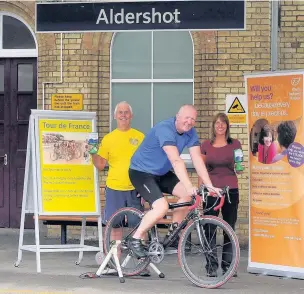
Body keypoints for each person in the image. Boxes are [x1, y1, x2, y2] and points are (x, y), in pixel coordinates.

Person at [128, 104, 222, 259]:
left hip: (161, 172)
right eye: (187, 117)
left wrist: (209, 185)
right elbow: (176, 161)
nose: (190, 122)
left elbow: (197, 159)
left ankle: (173, 234)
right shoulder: (165, 129)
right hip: (141, 172)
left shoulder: (190, 133)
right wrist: (189, 185)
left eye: (193, 119)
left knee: (188, 196)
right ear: (177, 117)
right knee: (162, 207)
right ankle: (135, 238)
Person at [90, 101, 149, 276]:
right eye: (120, 112)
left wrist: (145, 190)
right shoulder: (108, 139)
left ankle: (142, 264)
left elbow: (146, 164)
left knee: (139, 227)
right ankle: (115, 263)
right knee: (114, 227)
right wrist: (93, 153)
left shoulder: (139, 137)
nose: (123, 115)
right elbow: (100, 165)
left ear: (131, 116)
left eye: (126, 112)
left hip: (134, 188)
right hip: (114, 188)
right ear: (115, 116)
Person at [199, 113, 244, 277]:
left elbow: (239, 165)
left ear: (227, 126)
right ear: (213, 126)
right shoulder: (206, 145)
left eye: (223, 123)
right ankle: (211, 266)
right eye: (217, 123)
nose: (220, 126)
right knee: (209, 228)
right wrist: (200, 191)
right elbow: (201, 169)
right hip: (211, 190)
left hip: (230, 189)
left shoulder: (235, 144)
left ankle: (227, 266)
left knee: (229, 228)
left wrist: (240, 168)